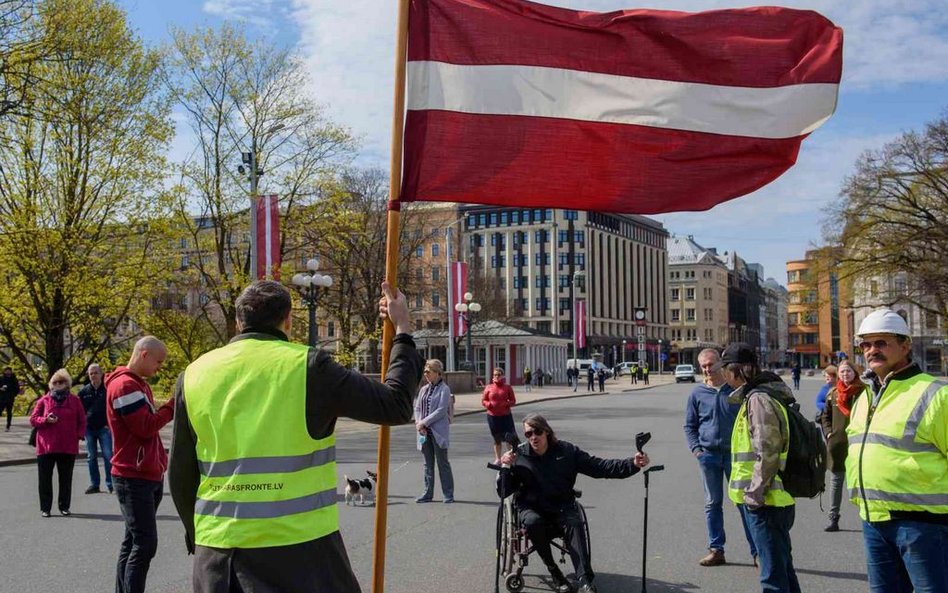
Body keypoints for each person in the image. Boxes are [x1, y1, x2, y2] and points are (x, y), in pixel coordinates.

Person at [168, 280, 423, 593]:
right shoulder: (309, 366)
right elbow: (395, 404)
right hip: (301, 550)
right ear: (287, 320)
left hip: (219, 555)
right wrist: (403, 329)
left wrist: (199, 537)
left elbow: (180, 472)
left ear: (238, 322)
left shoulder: (194, 373)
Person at [846, 308, 947, 593]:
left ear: (905, 346)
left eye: (881, 342)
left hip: (923, 524)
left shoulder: (934, 394)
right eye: (866, 344)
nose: (871, 350)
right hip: (874, 521)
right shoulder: (866, 396)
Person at [499, 413, 649, 593]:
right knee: (532, 522)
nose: (533, 437)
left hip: (562, 506)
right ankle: (554, 571)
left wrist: (632, 464)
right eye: (528, 434)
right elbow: (504, 492)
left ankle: (585, 580)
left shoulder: (567, 451)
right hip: (532, 508)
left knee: (575, 522)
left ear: (546, 431)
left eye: (537, 431)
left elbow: (600, 467)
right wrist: (505, 467)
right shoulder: (519, 456)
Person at [718, 342, 800, 593]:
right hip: (773, 499)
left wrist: (754, 493)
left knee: (772, 577)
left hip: (766, 501)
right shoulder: (763, 395)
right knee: (782, 569)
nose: (723, 375)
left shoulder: (758, 400)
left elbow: (767, 450)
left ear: (738, 370)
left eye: (725, 369)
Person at [107, 336, 174, 593]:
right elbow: (145, 427)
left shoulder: (136, 384)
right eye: (158, 361)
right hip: (134, 476)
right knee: (145, 544)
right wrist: (172, 406)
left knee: (132, 541)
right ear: (144, 354)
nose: (160, 367)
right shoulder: (126, 386)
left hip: (144, 473)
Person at [683, 348, 757, 567]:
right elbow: (690, 426)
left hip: (736, 457)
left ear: (720, 364)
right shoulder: (697, 394)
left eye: (711, 364)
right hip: (709, 457)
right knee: (712, 503)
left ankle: (756, 552)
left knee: (744, 503)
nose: (707, 369)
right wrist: (697, 451)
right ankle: (716, 549)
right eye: (703, 365)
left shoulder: (735, 390)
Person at [30, 368, 85, 517]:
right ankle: (45, 508)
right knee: (45, 479)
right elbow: (33, 419)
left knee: (66, 479)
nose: (58, 384)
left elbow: (82, 421)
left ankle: (64, 506)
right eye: (55, 382)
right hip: (46, 446)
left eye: (61, 381)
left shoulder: (75, 401)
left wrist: (78, 436)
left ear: (67, 384)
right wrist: (45, 420)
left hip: (68, 446)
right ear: (51, 385)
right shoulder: (44, 400)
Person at [818, 359, 861, 533]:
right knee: (836, 482)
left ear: (854, 373)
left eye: (848, 371)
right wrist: (829, 433)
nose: (845, 374)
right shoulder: (833, 394)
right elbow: (824, 416)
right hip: (837, 445)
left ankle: (869, 519)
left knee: (859, 483)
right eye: (842, 372)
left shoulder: (863, 393)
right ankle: (833, 518)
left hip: (858, 445)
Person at [416, 358, 455, 503]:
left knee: (442, 463)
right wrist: (419, 423)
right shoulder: (423, 389)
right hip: (423, 432)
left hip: (438, 432)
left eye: (428, 372)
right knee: (427, 464)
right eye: (425, 372)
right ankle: (427, 493)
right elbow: (417, 407)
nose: (426, 374)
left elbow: (441, 410)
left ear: (437, 373)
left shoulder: (444, 389)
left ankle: (448, 494)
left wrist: (424, 422)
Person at [78, 363, 113, 494]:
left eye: (96, 373)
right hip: (89, 429)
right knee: (91, 457)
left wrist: (109, 424)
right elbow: (79, 412)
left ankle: (111, 484)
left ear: (101, 374)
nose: (93, 375)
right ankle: (95, 484)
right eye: (91, 373)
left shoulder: (108, 389)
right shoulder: (83, 392)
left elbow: (112, 408)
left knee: (108, 456)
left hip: (104, 428)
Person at [482, 367, 517, 465]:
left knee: (509, 438)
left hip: (505, 416)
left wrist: (506, 404)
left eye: (498, 375)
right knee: (497, 438)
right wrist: (488, 404)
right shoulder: (488, 387)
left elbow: (513, 401)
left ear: (502, 376)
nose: (496, 376)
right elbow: (483, 400)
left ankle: (511, 457)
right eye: (495, 375)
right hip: (492, 417)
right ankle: (498, 458)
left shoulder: (507, 387)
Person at [0, 366, 21, 431]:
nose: (8, 372)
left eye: (9, 370)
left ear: (11, 372)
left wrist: (13, 394)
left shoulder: (14, 379)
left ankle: (8, 426)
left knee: (9, 412)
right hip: (1, 398)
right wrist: (1, 389)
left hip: (10, 398)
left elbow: (17, 389)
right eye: (6, 370)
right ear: (4, 371)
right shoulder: (1, 378)